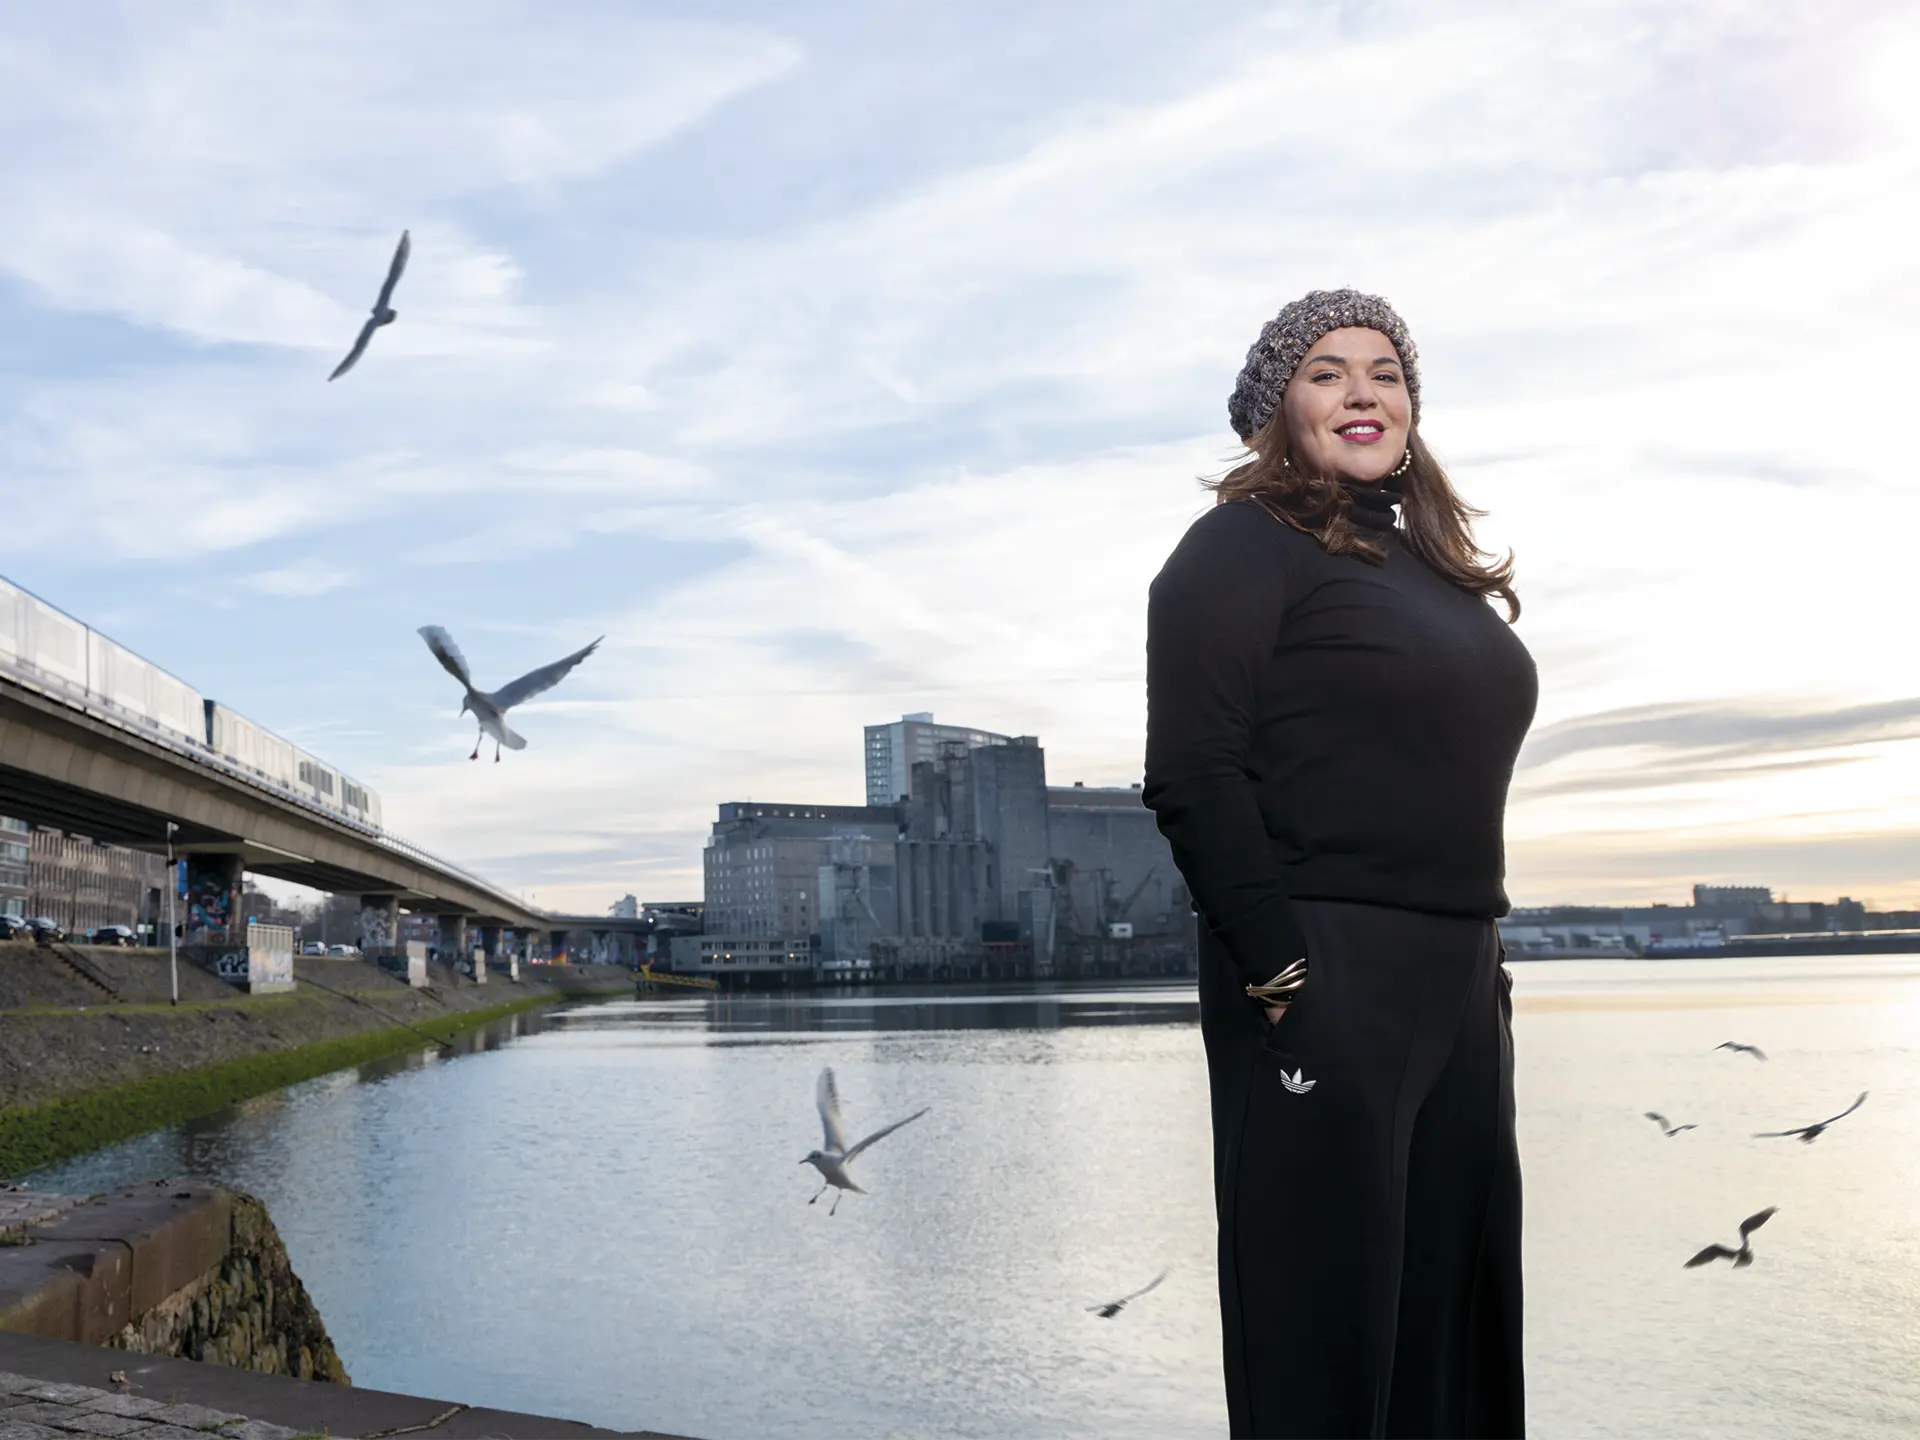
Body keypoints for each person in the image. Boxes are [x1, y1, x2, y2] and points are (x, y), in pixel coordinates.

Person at [1142, 289, 1536, 1439]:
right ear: (1281, 408)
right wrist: (1277, 970)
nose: (1363, 392)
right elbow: (1194, 770)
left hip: (1461, 975)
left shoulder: (1430, 568)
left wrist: (1483, 972)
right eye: (1326, 372)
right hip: (1325, 964)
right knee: (1325, 1325)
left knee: (1453, 1326)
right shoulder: (1240, 546)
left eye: (1385, 372)